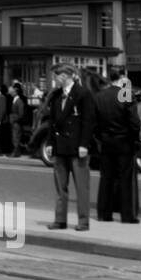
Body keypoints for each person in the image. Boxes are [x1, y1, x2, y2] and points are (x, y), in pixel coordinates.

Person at [47, 64, 96, 231]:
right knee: (60, 187)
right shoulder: (56, 96)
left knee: (82, 187)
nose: (55, 79)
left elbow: (88, 122)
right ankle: (60, 220)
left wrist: (84, 144)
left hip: (77, 147)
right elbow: (52, 122)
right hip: (60, 147)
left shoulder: (83, 94)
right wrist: (50, 143)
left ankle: (83, 221)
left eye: (57, 75)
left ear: (66, 76)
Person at [93, 65, 141, 223]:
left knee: (106, 178)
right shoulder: (124, 94)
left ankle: (104, 213)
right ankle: (127, 215)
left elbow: (95, 124)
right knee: (125, 179)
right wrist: (134, 138)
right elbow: (134, 121)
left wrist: (102, 137)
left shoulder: (100, 96)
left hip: (106, 142)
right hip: (124, 142)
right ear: (122, 77)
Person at [8, 82, 27, 157]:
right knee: (14, 137)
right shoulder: (15, 100)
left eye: (13, 92)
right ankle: (16, 151)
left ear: (16, 92)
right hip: (14, 122)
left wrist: (14, 118)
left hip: (17, 122)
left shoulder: (19, 101)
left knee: (16, 137)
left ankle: (16, 152)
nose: (11, 93)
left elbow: (21, 114)